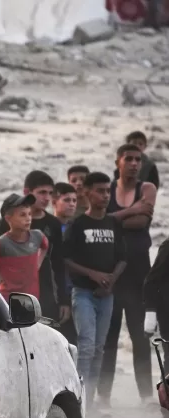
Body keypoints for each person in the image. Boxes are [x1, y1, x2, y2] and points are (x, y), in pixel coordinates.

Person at [98, 143, 158, 403]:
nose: (134, 163)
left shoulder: (147, 188)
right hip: (111, 271)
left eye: (138, 159)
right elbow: (102, 221)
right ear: (118, 162)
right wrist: (132, 210)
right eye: (129, 159)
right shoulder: (107, 190)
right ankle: (103, 396)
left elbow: (142, 222)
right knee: (108, 338)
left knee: (139, 337)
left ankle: (146, 395)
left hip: (138, 273)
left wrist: (116, 218)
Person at [63, 172, 127, 410]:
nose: (105, 195)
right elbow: (66, 258)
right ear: (87, 193)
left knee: (99, 348)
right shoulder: (78, 224)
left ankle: (89, 401)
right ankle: (77, 399)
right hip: (84, 293)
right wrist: (93, 275)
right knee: (87, 345)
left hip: (106, 295)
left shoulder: (113, 223)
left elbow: (123, 258)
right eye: (100, 191)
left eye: (107, 191)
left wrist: (110, 281)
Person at [0, 171, 68, 324]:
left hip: (44, 291)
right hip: (14, 292)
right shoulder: (8, 221)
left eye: (50, 193)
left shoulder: (53, 224)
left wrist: (64, 300)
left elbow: (58, 263)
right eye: (41, 192)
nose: (46, 198)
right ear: (26, 192)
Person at [0, 194, 48, 300]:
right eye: (22, 215)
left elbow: (45, 246)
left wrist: (38, 263)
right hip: (8, 299)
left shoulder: (37, 236)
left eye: (29, 214)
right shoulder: (1, 243)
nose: (28, 219)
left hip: (31, 300)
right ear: (9, 219)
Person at [53, 182, 79, 344]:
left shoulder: (76, 227)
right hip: (56, 289)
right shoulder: (49, 227)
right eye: (66, 200)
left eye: (74, 201)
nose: (71, 204)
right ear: (54, 201)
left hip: (76, 290)